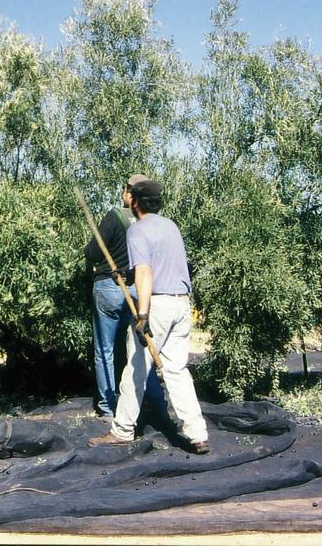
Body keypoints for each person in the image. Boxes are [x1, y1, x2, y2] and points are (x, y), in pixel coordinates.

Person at [88, 179, 210, 454]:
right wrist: (126, 275)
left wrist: (142, 314)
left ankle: (122, 431)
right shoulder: (171, 226)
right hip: (181, 304)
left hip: (156, 306)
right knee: (177, 370)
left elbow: (145, 272)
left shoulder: (138, 230)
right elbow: (163, 266)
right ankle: (198, 433)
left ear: (135, 201)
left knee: (136, 369)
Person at [84, 174, 165, 419]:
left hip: (110, 286)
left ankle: (107, 408)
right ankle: (156, 403)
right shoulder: (151, 222)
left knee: (104, 350)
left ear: (130, 193)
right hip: (137, 289)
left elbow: (92, 253)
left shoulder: (114, 216)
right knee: (141, 346)